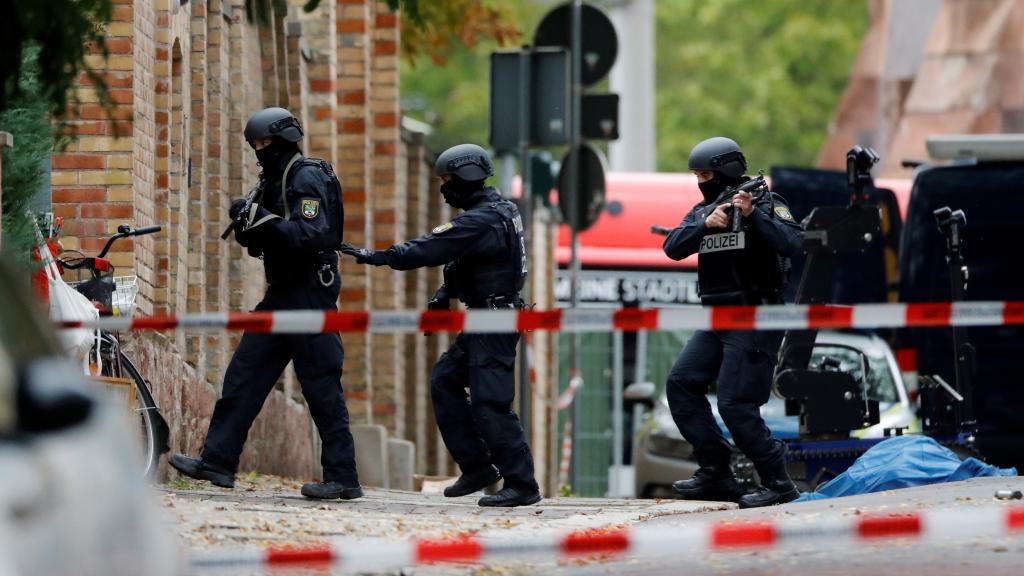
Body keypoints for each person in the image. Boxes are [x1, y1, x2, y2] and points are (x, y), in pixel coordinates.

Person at [169, 107, 362, 500]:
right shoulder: (271, 179)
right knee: (243, 377)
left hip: (309, 296)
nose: (260, 151)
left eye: (266, 144)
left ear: (286, 140)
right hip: (281, 295)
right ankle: (218, 463)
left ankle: (343, 479)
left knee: (322, 388)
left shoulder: (307, 175)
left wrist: (262, 219)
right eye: (255, 145)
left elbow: (309, 234)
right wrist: (247, 221)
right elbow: (261, 242)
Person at [340, 143, 541, 507]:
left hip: (495, 320)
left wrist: (379, 256)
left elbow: (434, 247)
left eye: (447, 180)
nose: (443, 188)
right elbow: (467, 259)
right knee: (445, 380)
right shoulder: (493, 213)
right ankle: (478, 467)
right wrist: (443, 295)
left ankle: (522, 483)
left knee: (490, 403)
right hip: (486, 316)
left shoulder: (484, 218)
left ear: (467, 176)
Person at [662, 136, 803, 508]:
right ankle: (717, 472)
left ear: (726, 170)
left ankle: (779, 483)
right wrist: (705, 224)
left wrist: (754, 216)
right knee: (681, 383)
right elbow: (673, 247)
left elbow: (793, 242)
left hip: (756, 314)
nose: (701, 181)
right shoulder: (705, 209)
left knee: (736, 403)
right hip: (717, 317)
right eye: (697, 175)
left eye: (707, 174)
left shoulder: (767, 204)